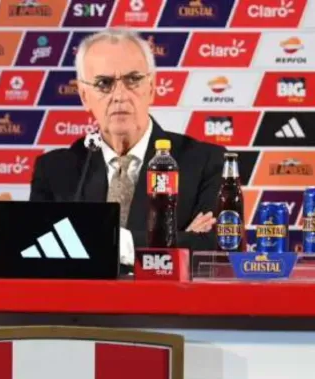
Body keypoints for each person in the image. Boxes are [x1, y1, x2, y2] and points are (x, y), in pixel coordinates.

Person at [29, 29, 223, 266]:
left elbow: (214, 248)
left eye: (133, 80)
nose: (120, 95)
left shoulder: (205, 162)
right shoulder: (56, 170)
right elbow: (42, 254)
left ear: (151, 88)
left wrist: (109, 242)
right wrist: (176, 242)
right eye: (104, 83)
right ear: (83, 96)